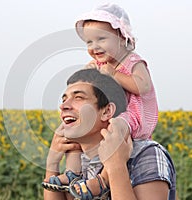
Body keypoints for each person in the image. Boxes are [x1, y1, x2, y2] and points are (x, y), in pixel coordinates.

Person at [50, 3, 160, 197]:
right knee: (70, 134)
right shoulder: (100, 63)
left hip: (134, 115)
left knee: (115, 130)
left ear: (121, 37)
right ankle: (72, 173)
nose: (94, 47)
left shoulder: (133, 61)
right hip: (117, 113)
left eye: (101, 39)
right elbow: (83, 81)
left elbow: (143, 87)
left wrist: (114, 74)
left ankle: (102, 180)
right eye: (89, 42)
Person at [42, 68, 176, 199]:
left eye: (78, 97)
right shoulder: (79, 161)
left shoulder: (144, 154)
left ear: (106, 111)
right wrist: (52, 163)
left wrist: (116, 165)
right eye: (64, 99)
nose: (64, 106)